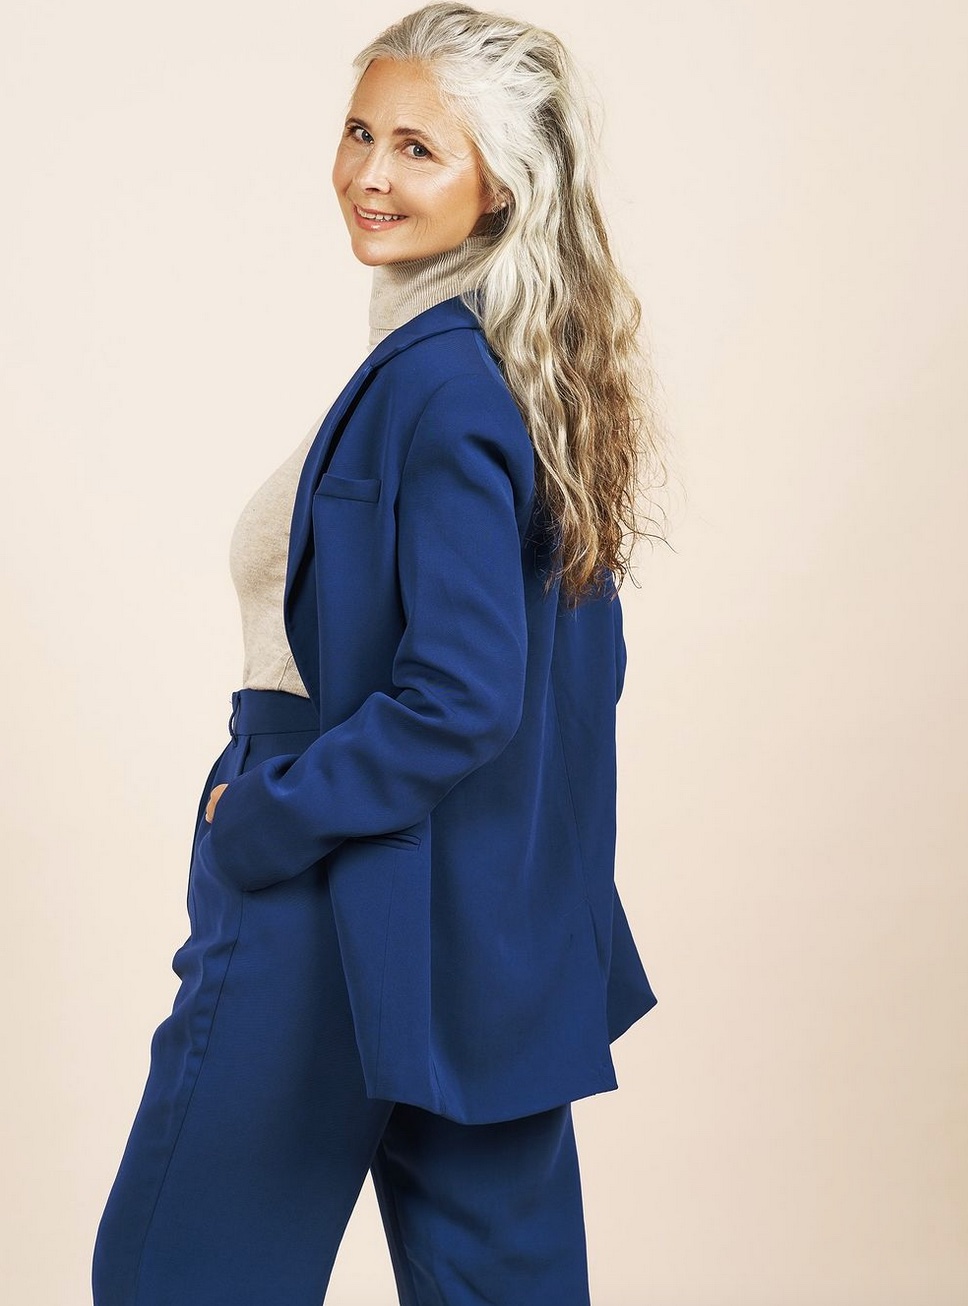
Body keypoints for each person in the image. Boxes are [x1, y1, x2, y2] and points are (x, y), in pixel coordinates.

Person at [91, 3, 665, 1303]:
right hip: (486, 906)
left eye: (417, 147)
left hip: (333, 861)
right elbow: (574, 682)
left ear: (498, 183)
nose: (369, 173)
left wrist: (264, 815)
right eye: (360, 132)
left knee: (178, 1272)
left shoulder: (441, 386)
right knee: (502, 1284)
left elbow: (464, 693)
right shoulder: (525, 379)